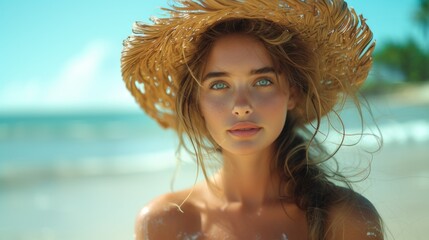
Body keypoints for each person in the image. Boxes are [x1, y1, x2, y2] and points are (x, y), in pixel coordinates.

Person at [121, 0, 384, 239]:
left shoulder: (345, 221)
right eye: (219, 85)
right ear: (196, 102)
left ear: (292, 93)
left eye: (262, 81)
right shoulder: (164, 224)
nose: (241, 107)